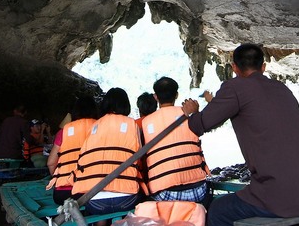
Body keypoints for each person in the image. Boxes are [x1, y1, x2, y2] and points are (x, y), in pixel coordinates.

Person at [181, 43, 299, 226]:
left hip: (288, 198)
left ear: (234, 68)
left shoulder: (235, 87)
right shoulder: (281, 88)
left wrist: (191, 112)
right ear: (263, 67)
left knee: (219, 211)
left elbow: (201, 124)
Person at [71, 88, 146, 218]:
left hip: (93, 201)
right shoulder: (132, 124)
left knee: (100, 211)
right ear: (126, 105)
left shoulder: (94, 126)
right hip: (126, 200)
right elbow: (139, 158)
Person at [141, 76, 211, 207]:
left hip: (165, 194)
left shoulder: (145, 122)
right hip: (197, 191)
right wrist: (196, 112)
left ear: (155, 97)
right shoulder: (189, 115)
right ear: (177, 95)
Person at [46, 95, 99, 205]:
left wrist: (58, 179)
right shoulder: (101, 127)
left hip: (63, 193)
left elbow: (51, 163)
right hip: (93, 192)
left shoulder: (64, 131)